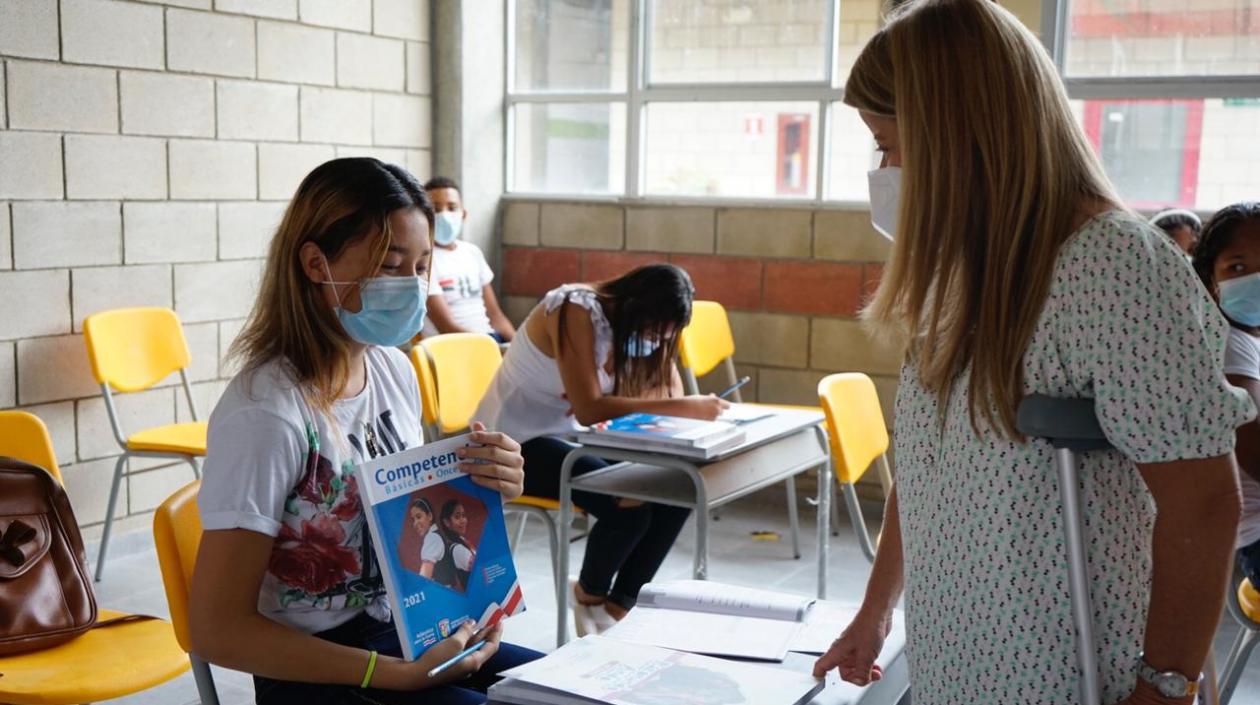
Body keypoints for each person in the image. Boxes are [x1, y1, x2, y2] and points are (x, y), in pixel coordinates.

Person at [812, 3, 1254, 705]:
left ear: (958, 137)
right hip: (955, 658)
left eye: (890, 145)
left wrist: (1166, 688)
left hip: (1065, 673)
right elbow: (927, 463)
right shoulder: (958, 269)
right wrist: (876, 610)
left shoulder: (1115, 265)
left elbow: (1203, 502)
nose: (886, 170)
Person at [188, 157, 538, 705]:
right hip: (312, 672)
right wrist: (396, 675)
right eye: (390, 265)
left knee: (568, 689)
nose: (412, 286)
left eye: (421, 266)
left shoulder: (393, 369)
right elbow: (217, 629)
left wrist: (488, 485)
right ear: (315, 263)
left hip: (405, 630)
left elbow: (407, 525)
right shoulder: (267, 413)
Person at [474, 264, 729, 635]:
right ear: (633, 307)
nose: (653, 342)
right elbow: (590, 408)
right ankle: (589, 596)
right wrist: (685, 407)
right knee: (627, 505)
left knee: (676, 488)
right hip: (514, 443)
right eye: (652, 332)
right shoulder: (573, 308)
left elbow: (666, 389)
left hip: (573, 438)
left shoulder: (632, 328)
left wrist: (677, 405)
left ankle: (619, 605)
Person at [1191, 202, 1260, 587]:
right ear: (1210, 281)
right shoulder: (1230, 344)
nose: (1255, 279)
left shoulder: (1249, 341)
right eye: (1237, 267)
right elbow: (1254, 453)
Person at [421, 176, 516, 343]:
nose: (444, 215)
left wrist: (517, 347)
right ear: (424, 216)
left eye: (452, 207)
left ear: (463, 214)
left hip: (489, 339)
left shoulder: (472, 252)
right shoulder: (423, 260)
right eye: (435, 209)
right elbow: (446, 327)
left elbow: (496, 317)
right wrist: (492, 347)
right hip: (455, 346)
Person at [435, 499, 478, 592]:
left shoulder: (463, 541)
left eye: (463, 515)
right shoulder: (457, 549)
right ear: (447, 522)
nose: (463, 521)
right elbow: (482, 570)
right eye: (457, 517)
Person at [409, 497, 443, 580]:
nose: (415, 523)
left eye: (419, 517)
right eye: (413, 519)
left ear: (430, 516)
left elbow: (424, 578)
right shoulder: (436, 534)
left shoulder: (432, 538)